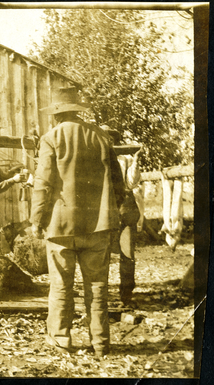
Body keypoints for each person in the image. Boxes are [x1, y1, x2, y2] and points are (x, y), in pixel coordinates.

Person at [30, 87, 125, 357]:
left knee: (61, 284)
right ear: (77, 110)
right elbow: (118, 182)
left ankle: (61, 340)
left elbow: (44, 184)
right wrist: (112, 211)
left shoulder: (51, 138)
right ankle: (101, 343)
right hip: (98, 225)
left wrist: (37, 219)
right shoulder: (102, 137)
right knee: (97, 286)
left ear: (56, 115)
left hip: (61, 226)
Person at [101, 126, 143, 306]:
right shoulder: (95, 157)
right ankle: (100, 296)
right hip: (103, 208)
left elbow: (132, 183)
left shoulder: (124, 158)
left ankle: (126, 294)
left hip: (124, 208)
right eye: (104, 138)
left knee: (127, 254)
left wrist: (135, 161)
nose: (108, 141)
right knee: (100, 254)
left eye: (110, 138)